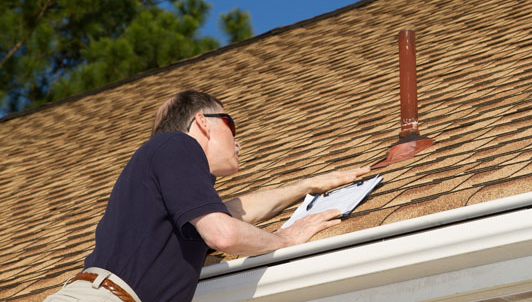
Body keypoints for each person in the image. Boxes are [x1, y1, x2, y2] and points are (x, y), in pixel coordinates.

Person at [44, 90, 370, 302]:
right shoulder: (177, 144)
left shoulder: (168, 189)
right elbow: (224, 233)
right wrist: (285, 239)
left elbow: (233, 213)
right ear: (201, 122)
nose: (238, 141)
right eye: (230, 124)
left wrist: (308, 185)